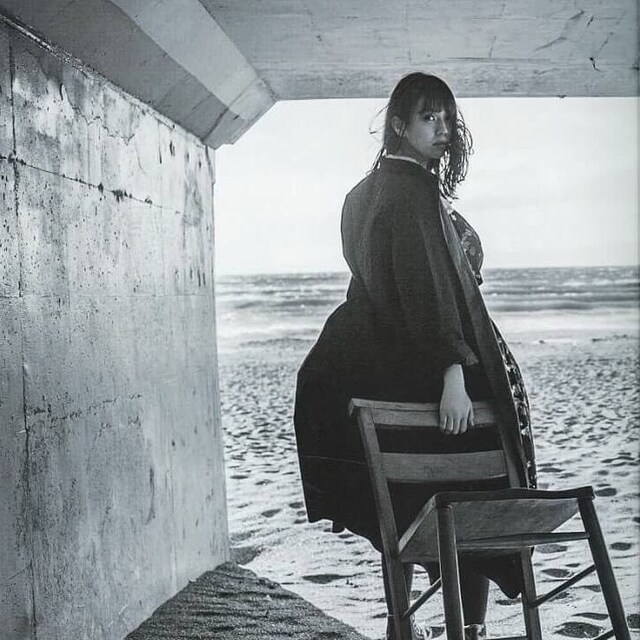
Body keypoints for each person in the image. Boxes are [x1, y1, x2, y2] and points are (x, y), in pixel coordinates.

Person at [293, 73, 536, 640]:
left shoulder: (362, 194)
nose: (443, 129)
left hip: (373, 361)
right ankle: (471, 629)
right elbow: (426, 289)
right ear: (399, 125)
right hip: (432, 367)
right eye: (429, 117)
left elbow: (385, 284)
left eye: (447, 118)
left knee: (397, 505)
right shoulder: (415, 193)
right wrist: (453, 372)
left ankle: (400, 622)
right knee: (469, 498)